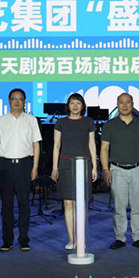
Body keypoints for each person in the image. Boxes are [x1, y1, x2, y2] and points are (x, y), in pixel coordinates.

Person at [0, 88, 42, 252]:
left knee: (24, 204)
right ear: (9, 101)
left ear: (24, 102)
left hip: (24, 165)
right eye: (14, 99)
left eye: (20, 99)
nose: (17, 102)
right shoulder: (1, 120)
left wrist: (35, 167)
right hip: (5, 165)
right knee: (6, 205)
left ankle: (24, 240)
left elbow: (36, 145)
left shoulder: (31, 120)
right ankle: (7, 241)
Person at [100, 93, 139, 250]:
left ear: (132, 104)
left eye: (127, 102)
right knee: (119, 207)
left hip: (138, 169)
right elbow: (104, 148)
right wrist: (105, 169)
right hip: (117, 170)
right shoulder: (109, 125)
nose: (124, 105)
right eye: (121, 102)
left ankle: (138, 238)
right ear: (117, 104)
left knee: (138, 206)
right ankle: (120, 238)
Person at [51, 93, 98, 250]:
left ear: (83, 105)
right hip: (65, 164)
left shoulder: (88, 122)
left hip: (84, 164)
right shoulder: (61, 122)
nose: (75, 106)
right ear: (68, 106)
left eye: (78, 103)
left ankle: (81, 237)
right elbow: (56, 146)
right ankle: (72, 239)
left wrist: (94, 166)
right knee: (68, 203)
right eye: (72, 103)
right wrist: (55, 167)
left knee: (80, 203)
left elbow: (92, 145)